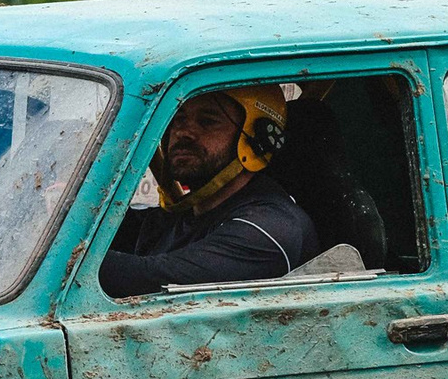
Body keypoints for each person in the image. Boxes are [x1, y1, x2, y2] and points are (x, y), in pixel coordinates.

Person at [100, 83, 316, 297]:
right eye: (179, 119)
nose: (184, 132)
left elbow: (150, 280)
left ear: (256, 139)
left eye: (208, 121)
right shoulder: (182, 215)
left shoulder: (268, 228)